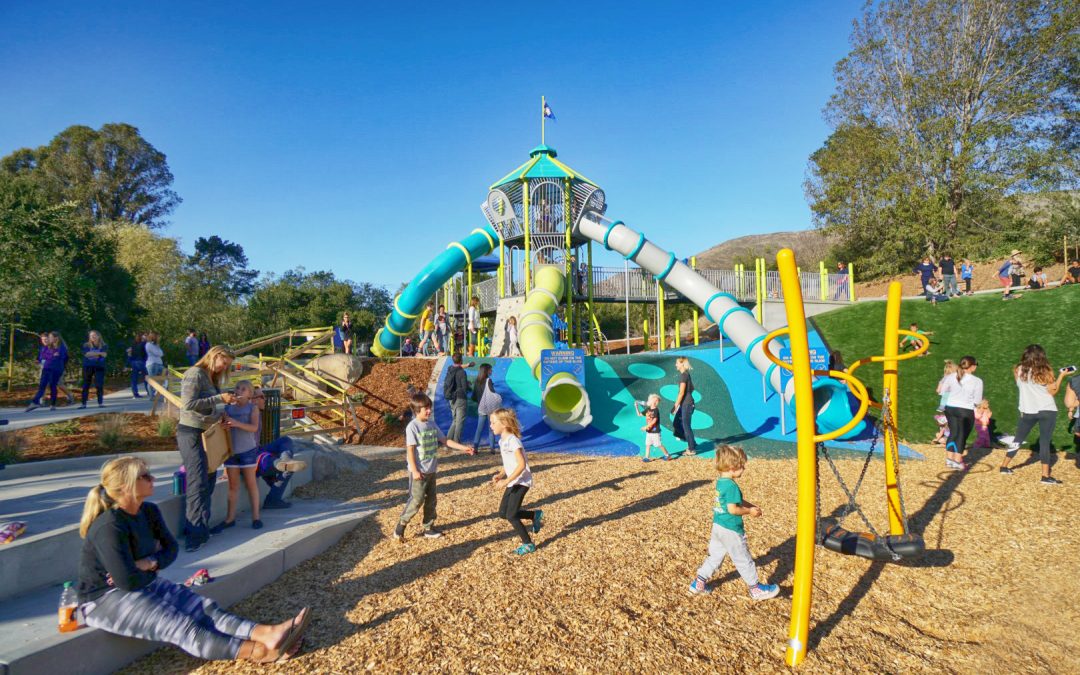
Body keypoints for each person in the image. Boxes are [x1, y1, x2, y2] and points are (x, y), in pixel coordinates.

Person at [77, 457, 310, 663]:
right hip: (103, 599)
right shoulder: (109, 527)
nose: (152, 478)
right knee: (182, 625)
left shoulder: (148, 511)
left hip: (143, 582)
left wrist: (148, 563)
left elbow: (170, 551)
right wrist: (148, 566)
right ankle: (257, 652)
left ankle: (267, 634)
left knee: (205, 609)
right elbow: (126, 581)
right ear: (126, 486)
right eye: (145, 476)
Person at [688, 445, 780, 601]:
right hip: (731, 529)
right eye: (741, 466)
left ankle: (699, 583)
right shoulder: (732, 486)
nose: (743, 469)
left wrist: (750, 506)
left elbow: (735, 502)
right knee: (743, 559)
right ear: (732, 467)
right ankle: (755, 588)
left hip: (718, 526)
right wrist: (749, 512)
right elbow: (733, 509)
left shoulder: (722, 482)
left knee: (715, 556)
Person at [177, 345, 237, 552]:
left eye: (227, 365)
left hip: (207, 434)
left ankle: (201, 527)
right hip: (190, 432)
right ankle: (194, 534)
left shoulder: (211, 378)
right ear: (214, 356)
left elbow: (209, 406)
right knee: (197, 481)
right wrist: (220, 398)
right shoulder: (195, 374)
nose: (223, 367)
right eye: (223, 362)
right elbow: (188, 404)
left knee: (209, 479)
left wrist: (221, 414)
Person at [393, 393, 473, 541]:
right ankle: (401, 526)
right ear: (417, 410)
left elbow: (445, 440)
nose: (429, 411)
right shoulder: (413, 427)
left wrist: (463, 448)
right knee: (416, 500)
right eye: (426, 409)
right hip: (419, 472)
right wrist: (415, 470)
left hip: (431, 471)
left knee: (431, 500)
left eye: (429, 408)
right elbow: (410, 450)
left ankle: (428, 528)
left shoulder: (431, 424)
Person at [999, 345, 1067, 484]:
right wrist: (1061, 376)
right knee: (1044, 442)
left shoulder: (1017, 370)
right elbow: (1053, 392)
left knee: (1018, 439)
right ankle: (1045, 476)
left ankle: (1004, 466)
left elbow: (1023, 387)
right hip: (1047, 409)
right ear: (1041, 356)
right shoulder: (1045, 370)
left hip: (1027, 410)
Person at [489, 408, 542, 555]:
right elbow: (509, 463)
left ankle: (528, 544)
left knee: (511, 515)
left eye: (493, 422)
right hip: (513, 480)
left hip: (521, 481)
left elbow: (521, 464)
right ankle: (534, 515)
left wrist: (505, 482)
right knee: (503, 513)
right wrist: (500, 474)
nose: (491, 425)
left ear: (504, 423)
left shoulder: (513, 441)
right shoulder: (502, 441)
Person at [213, 380, 264, 532]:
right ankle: (230, 518)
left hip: (248, 450)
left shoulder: (252, 408)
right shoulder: (228, 409)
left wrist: (236, 423)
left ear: (250, 394)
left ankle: (256, 517)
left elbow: (253, 428)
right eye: (237, 388)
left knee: (251, 484)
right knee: (233, 486)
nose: (239, 391)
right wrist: (224, 426)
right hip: (232, 451)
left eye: (243, 389)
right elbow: (224, 428)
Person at [939, 355, 983, 470]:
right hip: (965, 410)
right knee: (962, 435)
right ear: (972, 367)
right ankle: (957, 461)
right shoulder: (977, 381)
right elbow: (977, 400)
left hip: (950, 408)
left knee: (953, 432)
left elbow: (942, 391)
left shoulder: (951, 376)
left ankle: (949, 460)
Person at [26, 331, 69, 412]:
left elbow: (60, 357)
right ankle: (35, 402)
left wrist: (50, 356)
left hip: (56, 369)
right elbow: (42, 356)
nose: (48, 339)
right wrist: (51, 355)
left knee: (53, 386)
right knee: (42, 386)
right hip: (46, 369)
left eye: (50, 337)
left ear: (56, 338)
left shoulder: (62, 347)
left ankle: (52, 405)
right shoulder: (46, 347)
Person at [472, 363, 503, 453]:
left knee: (479, 429)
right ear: (486, 371)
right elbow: (492, 392)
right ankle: (492, 448)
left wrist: (479, 402)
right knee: (491, 428)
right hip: (490, 408)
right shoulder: (488, 381)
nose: (491, 371)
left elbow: (474, 396)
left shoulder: (477, 381)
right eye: (490, 369)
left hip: (481, 408)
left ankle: (475, 448)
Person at [634, 394, 673, 462]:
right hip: (649, 431)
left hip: (655, 431)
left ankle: (667, 455)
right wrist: (636, 407)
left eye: (657, 401)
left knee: (658, 444)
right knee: (647, 444)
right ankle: (646, 457)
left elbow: (654, 421)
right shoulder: (648, 409)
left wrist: (646, 426)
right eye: (655, 401)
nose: (656, 402)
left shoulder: (656, 410)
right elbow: (639, 414)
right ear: (651, 401)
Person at [672, 357, 698, 455]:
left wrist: (675, 405)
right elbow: (691, 389)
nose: (676, 365)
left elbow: (681, 392)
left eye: (677, 363)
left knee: (686, 426)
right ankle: (692, 442)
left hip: (687, 404)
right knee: (677, 423)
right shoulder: (686, 375)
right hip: (686, 403)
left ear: (682, 364)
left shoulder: (684, 376)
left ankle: (691, 449)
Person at [443, 353, 470, 443]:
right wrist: (468, 384)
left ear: (453, 360)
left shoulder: (450, 369)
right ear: (461, 360)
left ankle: (448, 441)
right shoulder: (462, 372)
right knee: (460, 421)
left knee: (455, 420)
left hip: (451, 398)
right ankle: (456, 442)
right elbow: (464, 388)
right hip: (460, 398)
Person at [80, 330, 108, 409]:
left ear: (99, 336)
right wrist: (99, 353)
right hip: (88, 367)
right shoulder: (86, 345)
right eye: (91, 335)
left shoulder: (103, 345)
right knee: (86, 385)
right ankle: (83, 404)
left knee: (99, 385)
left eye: (94, 335)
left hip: (99, 367)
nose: (93, 337)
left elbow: (104, 355)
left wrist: (92, 354)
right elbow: (87, 354)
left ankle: (100, 403)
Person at [128, 332, 148, 399]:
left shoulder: (133, 345)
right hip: (142, 361)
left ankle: (135, 393)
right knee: (146, 377)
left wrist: (129, 362)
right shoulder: (144, 344)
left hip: (134, 362)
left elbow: (130, 354)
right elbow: (146, 354)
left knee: (134, 379)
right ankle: (149, 391)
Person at [145, 332, 164, 398]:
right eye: (158, 337)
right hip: (152, 364)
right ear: (154, 337)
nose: (159, 338)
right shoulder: (149, 345)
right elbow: (157, 353)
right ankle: (151, 395)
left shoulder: (156, 345)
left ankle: (159, 391)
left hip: (159, 363)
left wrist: (158, 349)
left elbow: (161, 353)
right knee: (152, 380)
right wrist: (158, 350)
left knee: (165, 376)